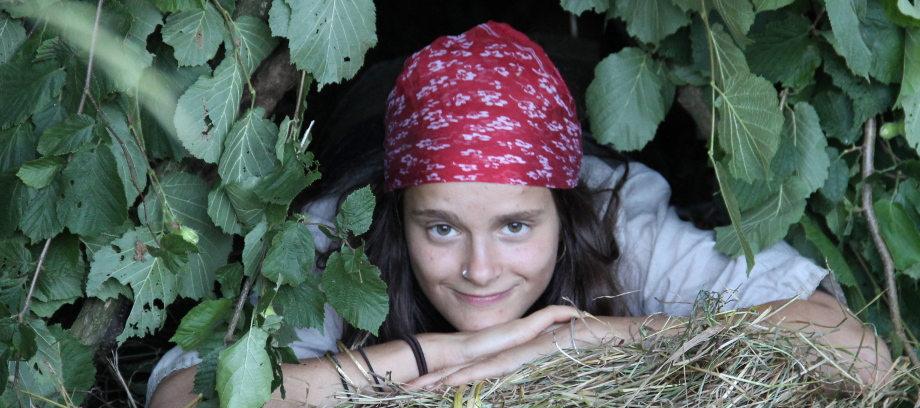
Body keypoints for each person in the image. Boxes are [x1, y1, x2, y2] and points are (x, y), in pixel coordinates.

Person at [149, 21, 891, 407]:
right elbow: (186, 399)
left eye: (515, 226)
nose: (480, 271)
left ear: (564, 212)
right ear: (398, 214)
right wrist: (438, 356)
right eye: (440, 227)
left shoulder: (616, 212)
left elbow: (861, 356)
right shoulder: (338, 232)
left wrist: (579, 343)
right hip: (369, 108)